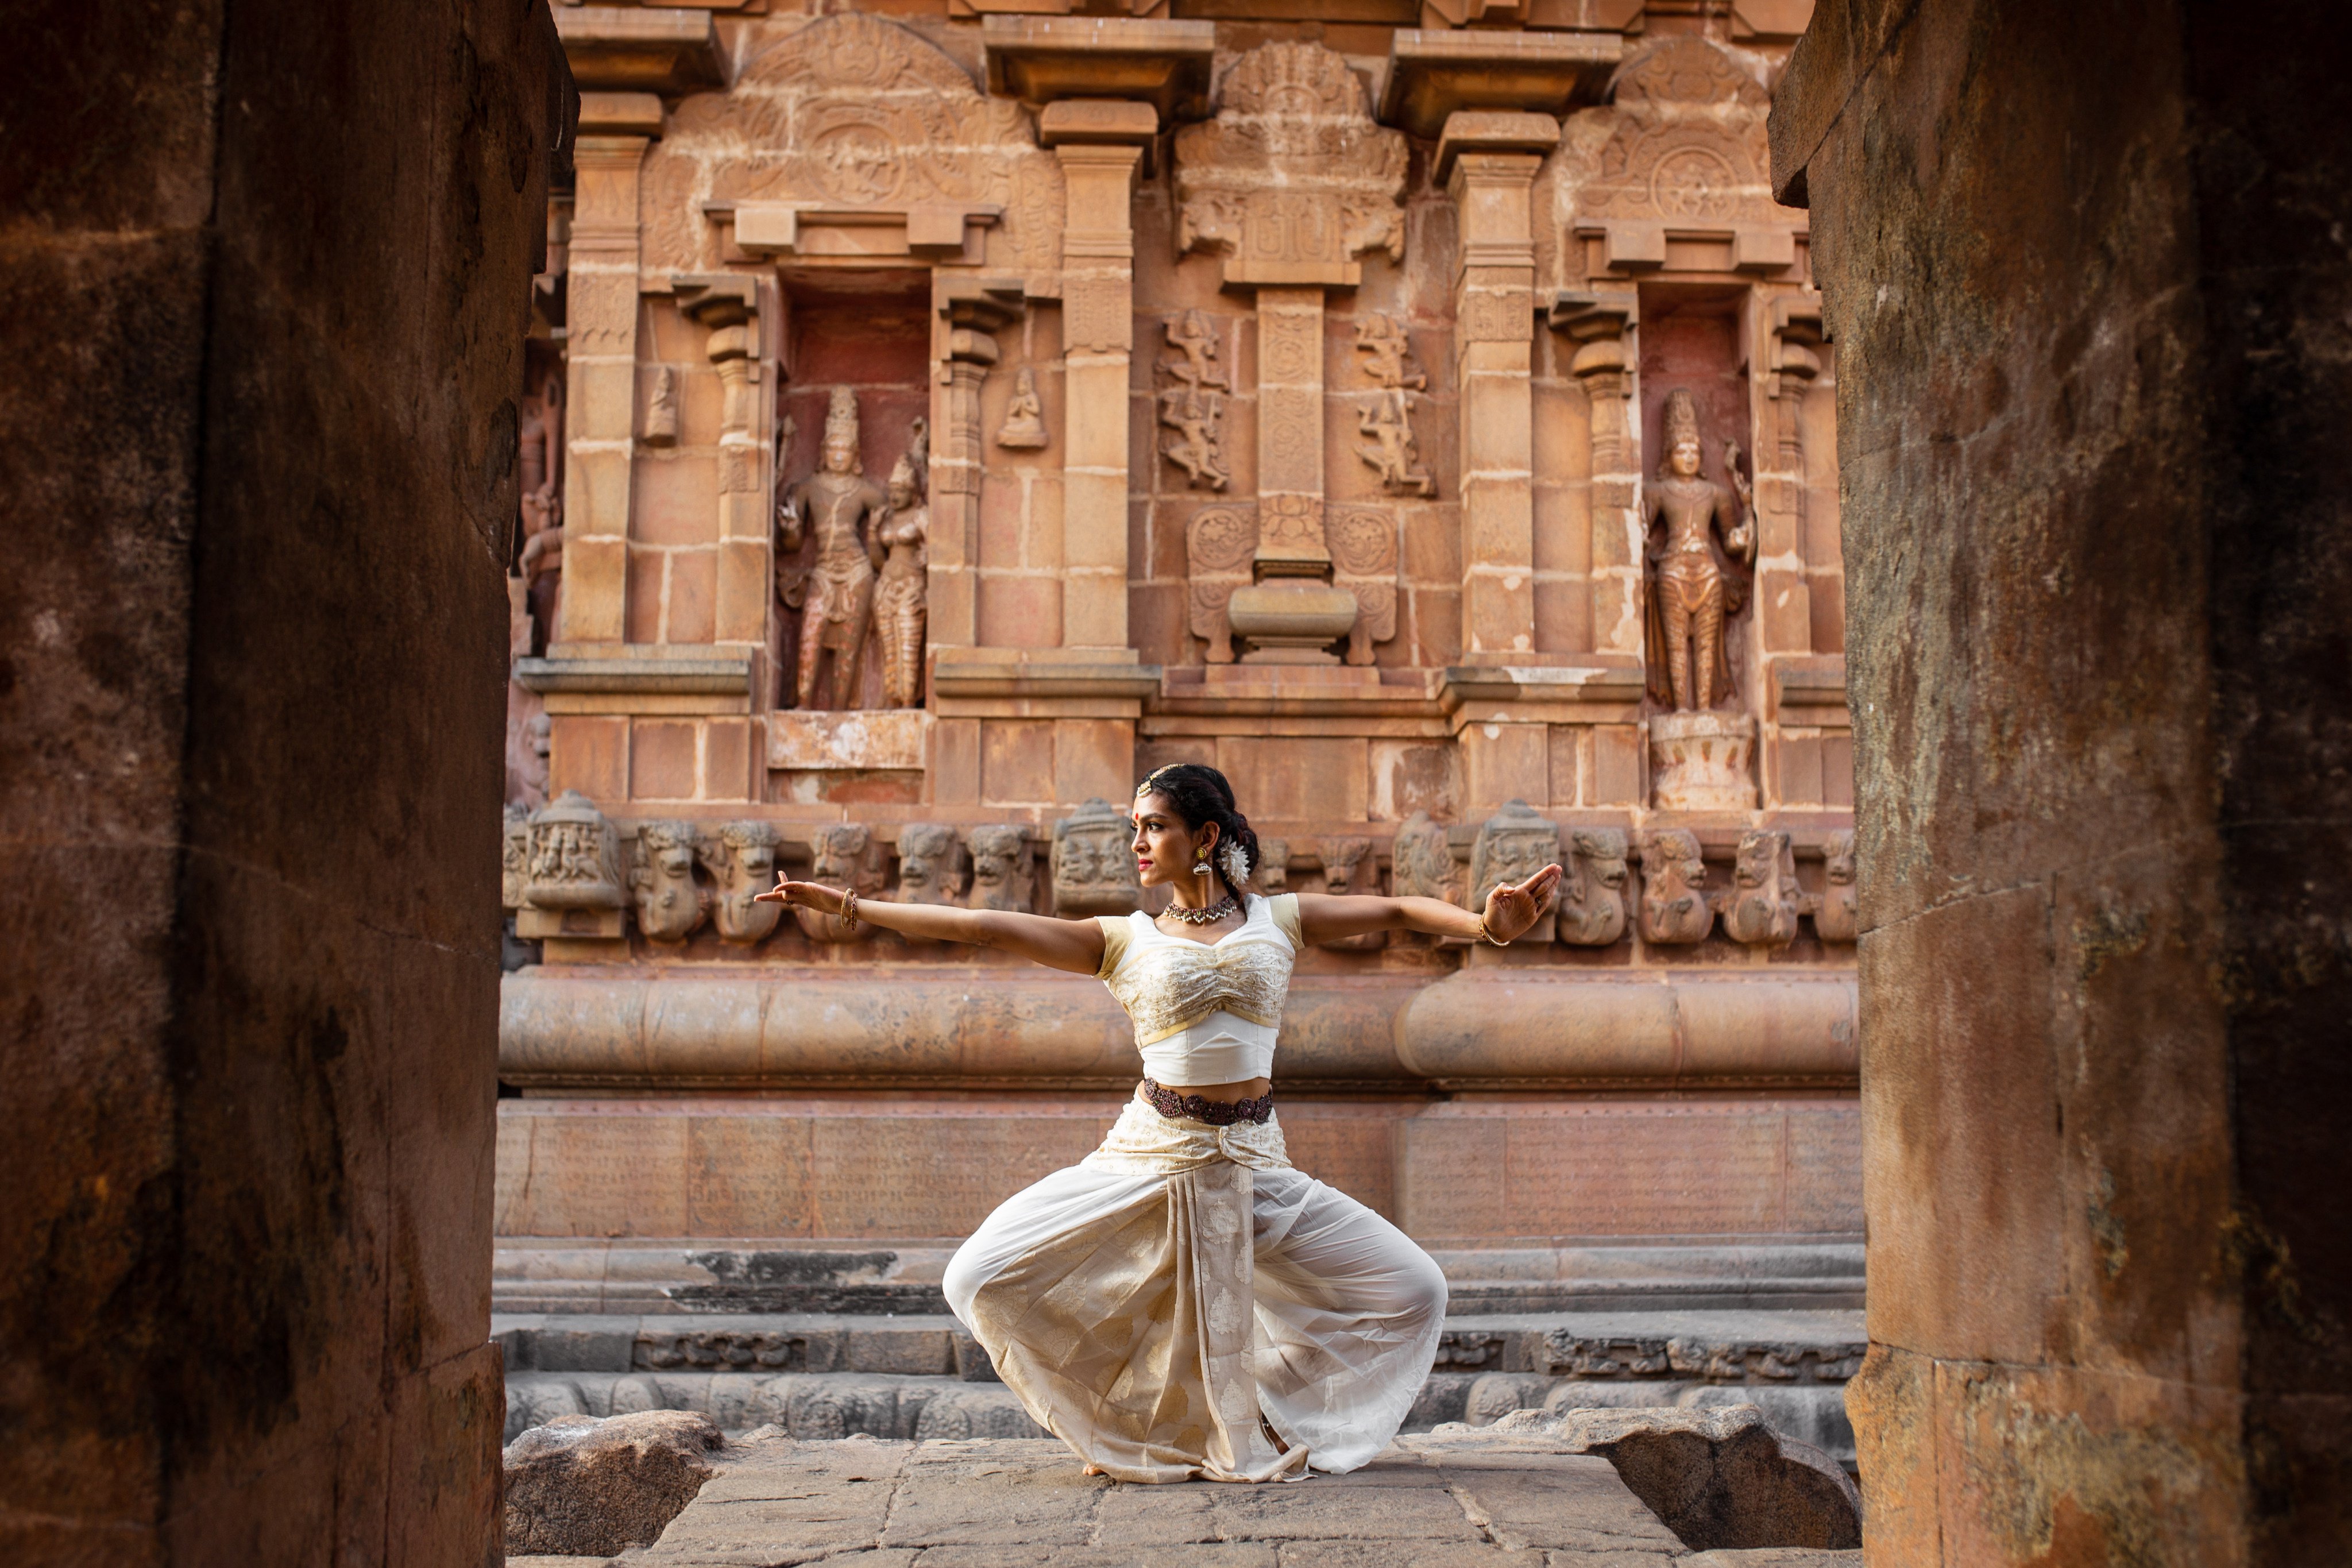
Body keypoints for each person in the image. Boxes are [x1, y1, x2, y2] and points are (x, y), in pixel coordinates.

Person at [757, 763, 1562, 1484]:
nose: (1137, 843)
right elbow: (983, 928)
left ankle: (1271, 1418)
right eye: (1134, 828)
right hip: (1150, 1159)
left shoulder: (1278, 920)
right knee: (973, 1273)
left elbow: (1393, 906)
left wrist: (1485, 926)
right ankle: (1130, 1424)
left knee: (1416, 1286)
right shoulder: (1121, 940)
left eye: (1154, 827)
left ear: (1204, 835)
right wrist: (853, 905)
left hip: (1256, 1165)